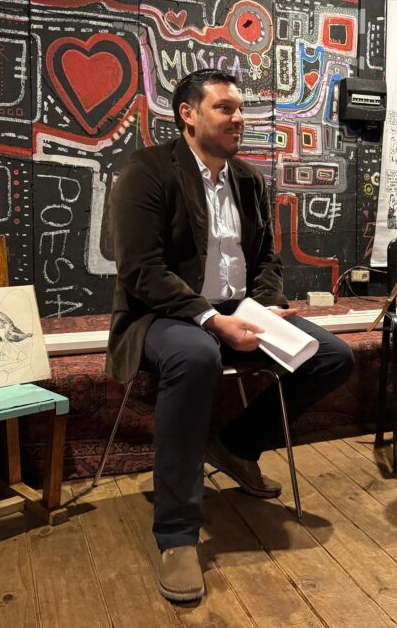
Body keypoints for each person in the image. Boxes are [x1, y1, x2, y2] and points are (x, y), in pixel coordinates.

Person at [106, 68, 354, 603]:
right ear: (188, 114)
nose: (238, 118)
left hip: (239, 310)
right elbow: (140, 269)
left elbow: (266, 257)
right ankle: (176, 534)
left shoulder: (246, 178)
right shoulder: (147, 171)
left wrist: (265, 308)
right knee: (195, 357)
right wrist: (210, 319)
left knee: (332, 355)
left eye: (239, 108)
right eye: (224, 108)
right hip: (162, 316)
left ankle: (236, 445)